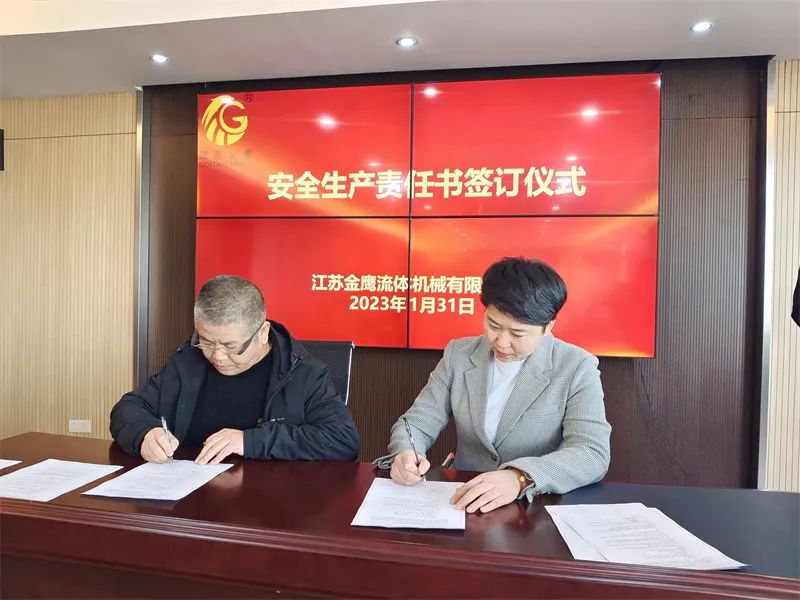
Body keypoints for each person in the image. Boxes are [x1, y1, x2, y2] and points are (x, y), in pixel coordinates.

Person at [376, 257, 611, 513]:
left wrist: (520, 477)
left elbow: (592, 452)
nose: (501, 342)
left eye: (517, 333)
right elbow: (417, 422)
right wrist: (406, 452)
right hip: (463, 502)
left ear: (548, 326)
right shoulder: (459, 354)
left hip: (533, 508)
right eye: (493, 325)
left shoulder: (576, 366)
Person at [111, 275, 360, 464]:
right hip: (189, 496)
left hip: (268, 503)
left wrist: (249, 441)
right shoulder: (188, 362)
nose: (217, 357)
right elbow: (128, 408)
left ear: (262, 333)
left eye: (231, 347)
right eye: (207, 342)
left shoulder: (303, 374)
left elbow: (342, 440)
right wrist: (144, 433)